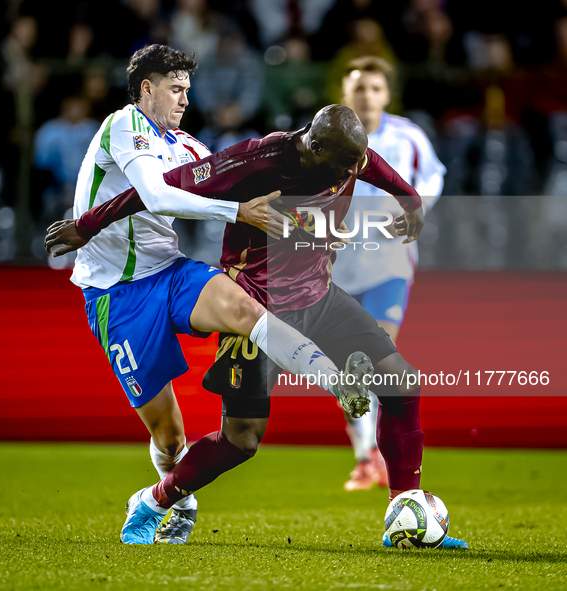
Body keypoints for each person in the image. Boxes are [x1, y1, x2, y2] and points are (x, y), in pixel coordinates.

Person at [47, 101, 468, 549]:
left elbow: (372, 166)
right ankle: (153, 501)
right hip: (257, 307)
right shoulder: (254, 161)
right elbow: (163, 187)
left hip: (319, 296)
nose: (347, 176)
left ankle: (403, 508)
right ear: (313, 143)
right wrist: (88, 225)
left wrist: (409, 197)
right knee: (242, 439)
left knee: (401, 383)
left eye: (353, 166)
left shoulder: (347, 155)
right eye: (340, 167)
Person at [332, 56, 446, 493]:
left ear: (386, 94)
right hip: (336, 267)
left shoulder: (408, 136)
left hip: (389, 264)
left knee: (374, 357)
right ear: (345, 94)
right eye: (359, 88)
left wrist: (417, 210)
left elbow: (433, 178)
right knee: (348, 368)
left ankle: (372, 458)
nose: (366, 96)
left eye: (374, 88)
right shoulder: (325, 138)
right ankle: (365, 455)